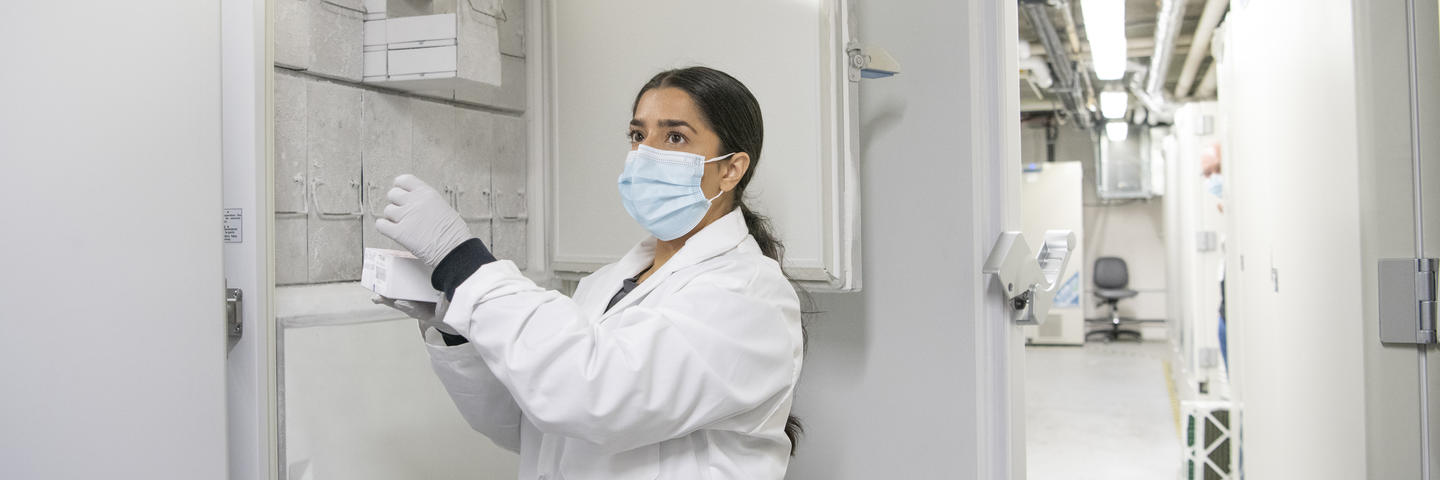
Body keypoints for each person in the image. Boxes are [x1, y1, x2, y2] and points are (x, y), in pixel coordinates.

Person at [374, 66, 805, 479]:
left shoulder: (752, 296)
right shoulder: (603, 286)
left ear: (730, 168)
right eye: (638, 135)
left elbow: (597, 396)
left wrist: (463, 264)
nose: (646, 152)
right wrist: (457, 329)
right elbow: (534, 424)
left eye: (675, 136)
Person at [1200, 142, 1227, 369]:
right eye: (1208, 174)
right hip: (1226, 312)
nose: (1214, 178)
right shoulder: (1226, 210)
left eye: (1218, 169)